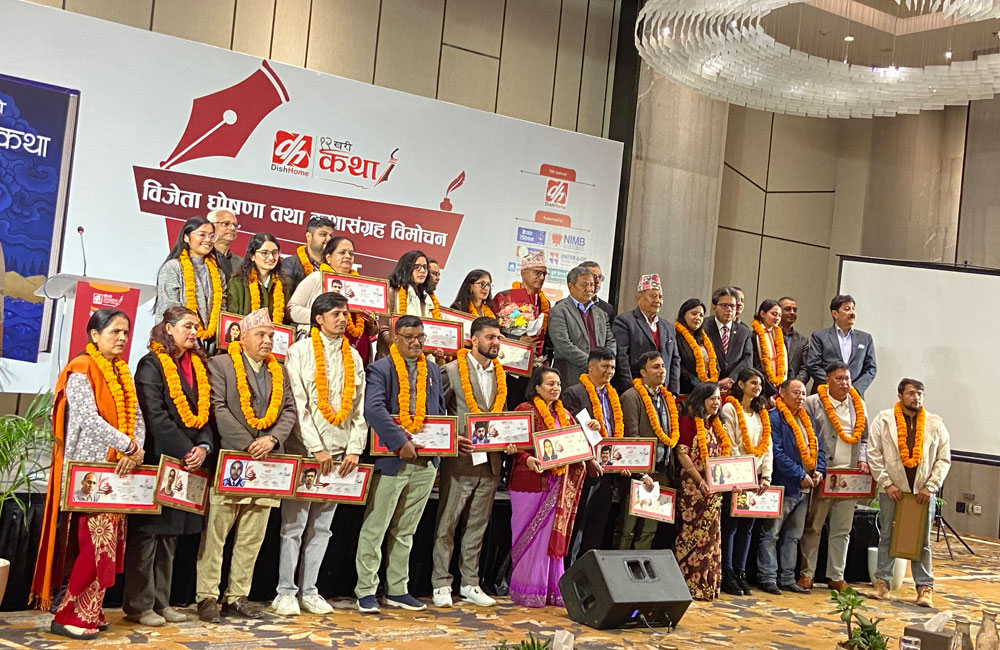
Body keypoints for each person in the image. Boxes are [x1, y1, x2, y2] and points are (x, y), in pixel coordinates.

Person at [31, 309, 146, 640]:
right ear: (95, 335)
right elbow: (87, 418)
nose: (122, 338)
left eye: (126, 332)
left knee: (109, 551)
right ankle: (68, 615)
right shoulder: (81, 368)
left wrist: (136, 449)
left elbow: (137, 416)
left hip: (120, 472)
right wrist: (127, 445)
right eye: (115, 331)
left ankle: (90, 611)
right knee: (95, 549)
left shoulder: (121, 370)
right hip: (90, 474)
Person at [196, 309, 297, 623]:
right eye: (261, 335)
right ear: (241, 336)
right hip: (232, 459)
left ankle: (237, 596)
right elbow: (218, 407)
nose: (267, 341)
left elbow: (289, 410)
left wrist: (272, 439)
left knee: (253, 536)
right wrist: (248, 443)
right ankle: (207, 597)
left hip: (268, 463)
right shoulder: (220, 364)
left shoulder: (279, 369)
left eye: (271, 336)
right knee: (216, 536)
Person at [274, 291, 366, 616]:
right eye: (336, 314)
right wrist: (316, 448)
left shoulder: (353, 356)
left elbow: (359, 408)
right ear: (318, 318)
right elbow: (298, 404)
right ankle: (285, 591)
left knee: (323, 528)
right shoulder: (299, 351)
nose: (343, 319)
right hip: (306, 452)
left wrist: (354, 449)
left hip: (341, 457)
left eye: (345, 314)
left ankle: (310, 591)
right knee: (294, 526)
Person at [125, 306, 214, 627]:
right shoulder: (151, 364)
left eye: (197, 327)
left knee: (171, 537)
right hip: (158, 458)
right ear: (168, 328)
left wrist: (204, 446)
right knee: (149, 535)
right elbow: (155, 415)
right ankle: (139, 605)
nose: (194, 332)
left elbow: (206, 414)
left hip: (189, 464)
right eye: (187, 326)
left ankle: (162, 603)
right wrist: (186, 448)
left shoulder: (198, 365)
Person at [356, 315, 447, 613]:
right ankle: (366, 590)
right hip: (391, 461)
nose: (416, 342)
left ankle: (397, 589)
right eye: (409, 337)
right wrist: (399, 443)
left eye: (420, 336)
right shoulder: (380, 368)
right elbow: (373, 409)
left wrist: (447, 443)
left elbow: (438, 412)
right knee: (376, 528)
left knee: (406, 530)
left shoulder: (432, 369)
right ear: (395, 338)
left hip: (425, 462)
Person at [433, 316, 511, 608]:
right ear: (473, 340)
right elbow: (437, 414)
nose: (496, 343)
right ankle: (441, 583)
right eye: (490, 337)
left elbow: (504, 418)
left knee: (477, 527)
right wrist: (453, 439)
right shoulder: (452, 370)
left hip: (491, 462)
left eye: (498, 338)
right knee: (447, 525)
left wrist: (509, 440)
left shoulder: (502, 375)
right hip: (460, 462)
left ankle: (470, 583)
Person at [509, 367, 591, 607]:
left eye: (558, 384)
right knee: (529, 539)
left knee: (549, 541)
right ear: (537, 387)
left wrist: (591, 432)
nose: (555, 388)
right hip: (529, 484)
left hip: (558, 485)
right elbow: (513, 444)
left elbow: (577, 447)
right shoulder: (524, 410)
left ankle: (551, 589)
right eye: (550, 384)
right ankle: (528, 590)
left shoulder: (566, 415)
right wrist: (526, 458)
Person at [867, 378, 951, 608]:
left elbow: (943, 459)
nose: (916, 398)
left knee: (921, 540)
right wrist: (886, 483)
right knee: (887, 536)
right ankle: (882, 584)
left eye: (920, 394)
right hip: (893, 491)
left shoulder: (935, 423)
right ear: (900, 395)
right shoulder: (884, 420)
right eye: (912, 393)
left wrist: (931, 486)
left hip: (922, 493)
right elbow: (874, 453)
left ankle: (924, 588)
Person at [798, 362, 869, 593]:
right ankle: (807, 574)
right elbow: (806, 436)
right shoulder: (812, 402)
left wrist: (863, 459)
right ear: (827, 381)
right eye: (839, 379)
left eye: (847, 379)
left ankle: (836, 575)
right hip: (823, 475)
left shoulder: (858, 404)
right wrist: (813, 467)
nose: (845, 383)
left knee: (842, 529)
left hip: (850, 477)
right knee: (813, 527)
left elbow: (865, 439)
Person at [757, 378, 826, 595]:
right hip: (783, 485)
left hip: (805, 489)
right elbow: (775, 452)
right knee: (771, 534)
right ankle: (767, 577)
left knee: (793, 536)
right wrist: (799, 473)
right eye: (796, 392)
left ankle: (787, 577)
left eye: (803, 393)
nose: (801, 397)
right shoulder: (773, 418)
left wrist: (819, 470)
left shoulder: (807, 419)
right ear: (782, 393)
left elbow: (819, 448)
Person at [616, 351, 679, 550]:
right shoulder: (631, 396)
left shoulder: (667, 398)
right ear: (643, 372)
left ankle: (640, 566)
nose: (662, 371)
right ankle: (620, 566)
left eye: (663, 366)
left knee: (650, 529)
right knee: (628, 528)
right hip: (640, 473)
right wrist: (641, 474)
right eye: (655, 367)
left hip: (662, 471)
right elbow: (631, 435)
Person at [718, 368, 772, 596]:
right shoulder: (730, 408)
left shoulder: (761, 412)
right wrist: (741, 475)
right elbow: (730, 443)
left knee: (747, 528)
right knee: (731, 526)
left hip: (756, 478)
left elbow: (767, 446)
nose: (757, 387)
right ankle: (727, 572)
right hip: (738, 476)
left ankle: (740, 572)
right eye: (753, 383)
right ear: (740, 384)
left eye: (759, 384)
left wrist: (766, 475)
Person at [673, 381, 729, 600]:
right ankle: (686, 584)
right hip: (693, 490)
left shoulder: (716, 425)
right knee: (690, 534)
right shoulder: (688, 422)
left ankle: (706, 586)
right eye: (711, 398)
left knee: (711, 538)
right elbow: (682, 453)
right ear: (700, 399)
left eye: (718, 398)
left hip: (714, 491)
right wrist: (699, 481)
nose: (716, 403)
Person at [562, 348, 618, 561]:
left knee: (597, 525)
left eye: (612, 367)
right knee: (578, 523)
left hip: (607, 468)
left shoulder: (613, 395)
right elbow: (570, 432)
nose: (609, 371)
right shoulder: (574, 393)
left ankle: (589, 571)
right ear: (591, 367)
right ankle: (569, 570)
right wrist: (588, 458)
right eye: (605, 366)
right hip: (583, 468)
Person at [288, 236, 377, 365]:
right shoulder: (317, 278)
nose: (348, 256)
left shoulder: (360, 285)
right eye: (342, 252)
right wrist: (323, 318)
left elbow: (370, 330)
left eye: (351, 253)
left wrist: (371, 323)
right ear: (328, 257)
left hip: (356, 352)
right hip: (320, 348)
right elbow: (291, 309)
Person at [154, 216, 227, 347]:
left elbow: (222, 309)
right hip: (177, 344)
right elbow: (169, 311)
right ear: (186, 238)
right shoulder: (173, 268)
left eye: (211, 236)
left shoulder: (218, 273)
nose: (208, 240)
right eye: (202, 234)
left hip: (209, 345)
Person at [548, 265, 615, 389]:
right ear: (571, 286)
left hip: (599, 378)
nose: (589, 289)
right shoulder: (559, 311)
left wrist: (607, 363)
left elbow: (610, 341)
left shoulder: (601, 314)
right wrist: (593, 363)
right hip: (570, 377)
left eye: (591, 285)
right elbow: (563, 345)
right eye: (584, 285)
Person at [612, 273, 681, 394]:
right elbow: (622, 357)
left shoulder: (668, 327)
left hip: (663, 391)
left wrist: (673, 391)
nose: (658, 300)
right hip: (635, 389)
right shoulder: (624, 321)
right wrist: (628, 389)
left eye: (660, 297)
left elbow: (675, 360)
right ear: (639, 298)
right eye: (653, 296)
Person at [805, 295, 877, 395]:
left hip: (854, 395)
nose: (852, 313)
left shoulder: (865, 338)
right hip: (825, 393)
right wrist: (834, 384)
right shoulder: (820, 336)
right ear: (835, 314)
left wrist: (854, 389)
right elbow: (813, 365)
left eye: (853, 309)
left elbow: (871, 368)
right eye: (847, 309)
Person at [377, 250, 441, 358]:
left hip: (422, 360)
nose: (422, 271)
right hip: (393, 359)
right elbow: (384, 329)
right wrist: (402, 346)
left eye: (425, 267)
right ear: (406, 268)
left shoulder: (427, 298)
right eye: (417, 267)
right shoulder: (392, 292)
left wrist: (434, 348)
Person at [493, 250, 550, 358]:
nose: (542, 277)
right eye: (537, 273)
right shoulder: (504, 297)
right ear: (523, 273)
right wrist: (517, 339)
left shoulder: (544, 303)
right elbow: (491, 331)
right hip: (506, 356)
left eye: (544, 274)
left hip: (535, 360)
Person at [227, 233, 289, 324]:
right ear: (252, 256)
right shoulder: (237, 283)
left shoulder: (282, 285)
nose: (271, 257)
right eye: (265, 253)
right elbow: (231, 319)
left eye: (274, 252)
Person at [703, 287, 751, 393]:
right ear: (714, 306)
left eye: (732, 306)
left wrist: (732, 378)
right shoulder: (703, 327)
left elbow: (747, 359)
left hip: (732, 387)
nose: (729, 309)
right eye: (724, 305)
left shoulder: (744, 331)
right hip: (707, 387)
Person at [674, 298, 719, 394]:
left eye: (701, 315)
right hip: (686, 390)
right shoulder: (675, 337)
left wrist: (711, 384)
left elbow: (715, 364)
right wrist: (696, 383)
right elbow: (678, 365)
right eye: (694, 314)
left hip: (707, 390)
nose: (698, 318)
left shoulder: (705, 339)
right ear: (683, 314)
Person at [282, 215, 336, 294]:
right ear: (309, 236)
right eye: (323, 234)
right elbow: (285, 295)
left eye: (331, 236)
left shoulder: (335, 265)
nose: (329, 239)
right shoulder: (291, 263)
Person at [750, 299, 787, 398]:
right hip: (762, 386)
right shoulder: (754, 336)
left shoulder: (779, 335)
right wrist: (770, 390)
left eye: (779, 315)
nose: (777, 318)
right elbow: (755, 365)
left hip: (779, 385)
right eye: (774, 314)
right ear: (762, 314)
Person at [778, 297, 810, 384]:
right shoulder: (769, 335)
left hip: (794, 387)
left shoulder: (802, 340)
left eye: (794, 310)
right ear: (779, 312)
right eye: (787, 309)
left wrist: (794, 385)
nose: (792, 312)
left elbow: (805, 369)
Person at [207, 208, 242, 279]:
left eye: (235, 225)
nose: (232, 228)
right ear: (211, 226)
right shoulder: (201, 256)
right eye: (226, 224)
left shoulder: (241, 264)